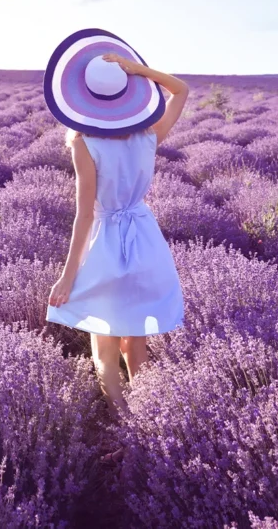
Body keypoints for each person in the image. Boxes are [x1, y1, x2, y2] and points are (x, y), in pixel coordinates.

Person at [41, 29, 189, 464]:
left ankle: (123, 421)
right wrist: (137, 69)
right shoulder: (148, 136)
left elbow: (85, 215)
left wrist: (68, 276)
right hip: (145, 239)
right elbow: (181, 89)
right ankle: (145, 418)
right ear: (129, 94)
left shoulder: (84, 144)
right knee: (136, 337)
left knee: (103, 344)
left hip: (107, 242)